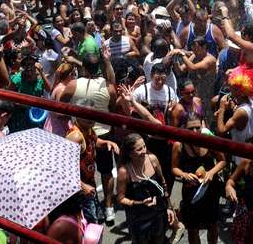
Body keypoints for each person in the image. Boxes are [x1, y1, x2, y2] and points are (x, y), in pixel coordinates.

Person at [61, 52, 118, 224]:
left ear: (83, 68)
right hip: (101, 132)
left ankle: (84, 213)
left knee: (81, 172)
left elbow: (60, 105)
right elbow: (113, 109)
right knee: (105, 172)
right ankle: (108, 208)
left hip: (84, 134)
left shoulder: (72, 85)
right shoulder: (109, 86)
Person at [171, 113, 226, 244]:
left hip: (210, 190)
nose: (195, 131)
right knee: (192, 228)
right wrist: (184, 175)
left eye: (197, 127)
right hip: (191, 192)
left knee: (212, 225)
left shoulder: (209, 140)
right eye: (191, 128)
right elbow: (174, 168)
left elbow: (222, 161)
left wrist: (211, 172)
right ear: (184, 128)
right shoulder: (179, 145)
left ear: (202, 125)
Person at [116, 133, 176, 244]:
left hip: (158, 213)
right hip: (139, 219)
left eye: (144, 146)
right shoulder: (124, 172)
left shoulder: (153, 160)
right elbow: (120, 198)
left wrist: (169, 207)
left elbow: (163, 183)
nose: (144, 151)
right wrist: (140, 203)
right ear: (129, 153)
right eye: (139, 149)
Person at [66, 100, 119, 224]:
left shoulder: (88, 129)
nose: (90, 118)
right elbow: (64, 168)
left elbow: (95, 141)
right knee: (88, 224)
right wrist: (82, 186)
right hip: (79, 190)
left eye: (93, 115)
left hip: (90, 185)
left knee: (95, 220)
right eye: (86, 115)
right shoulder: (76, 137)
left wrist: (107, 142)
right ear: (77, 115)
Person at [215, 67, 253, 164]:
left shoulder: (241, 112)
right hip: (250, 154)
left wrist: (222, 108)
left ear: (242, 91)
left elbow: (221, 131)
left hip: (240, 159)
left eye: (234, 88)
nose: (230, 88)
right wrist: (234, 108)